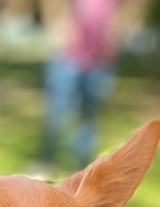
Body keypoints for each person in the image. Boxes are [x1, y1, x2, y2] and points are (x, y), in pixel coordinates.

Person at [40, 0, 126, 172]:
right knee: (57, 114)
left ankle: (83, 168)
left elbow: (128, 11)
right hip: (68, 59)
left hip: (99, 63)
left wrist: (116, 38)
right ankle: (47, 160)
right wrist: (57, 32)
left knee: (89, 118)